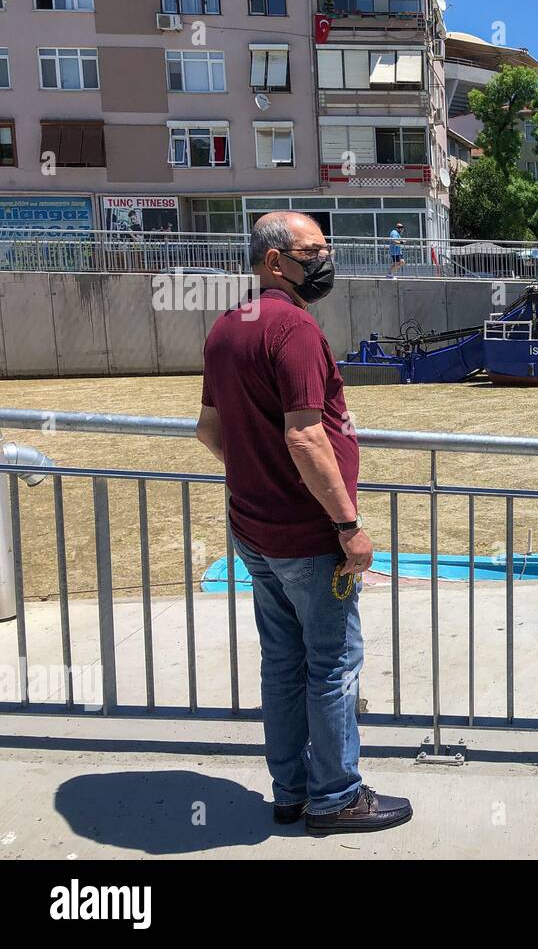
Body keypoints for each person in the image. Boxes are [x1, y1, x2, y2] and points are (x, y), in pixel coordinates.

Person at [196, 211, 412, 835]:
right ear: (274, 262)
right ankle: (337, 796)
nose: (326, 260)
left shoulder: (226, 327)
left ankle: (291, 792)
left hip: (254, 530)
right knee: (334, 663)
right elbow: (306, 436)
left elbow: (209, 431)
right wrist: (348, 525)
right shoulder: (292, 330)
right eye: (314, 251)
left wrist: (257, 474)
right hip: (310, 538)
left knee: (283, 664)